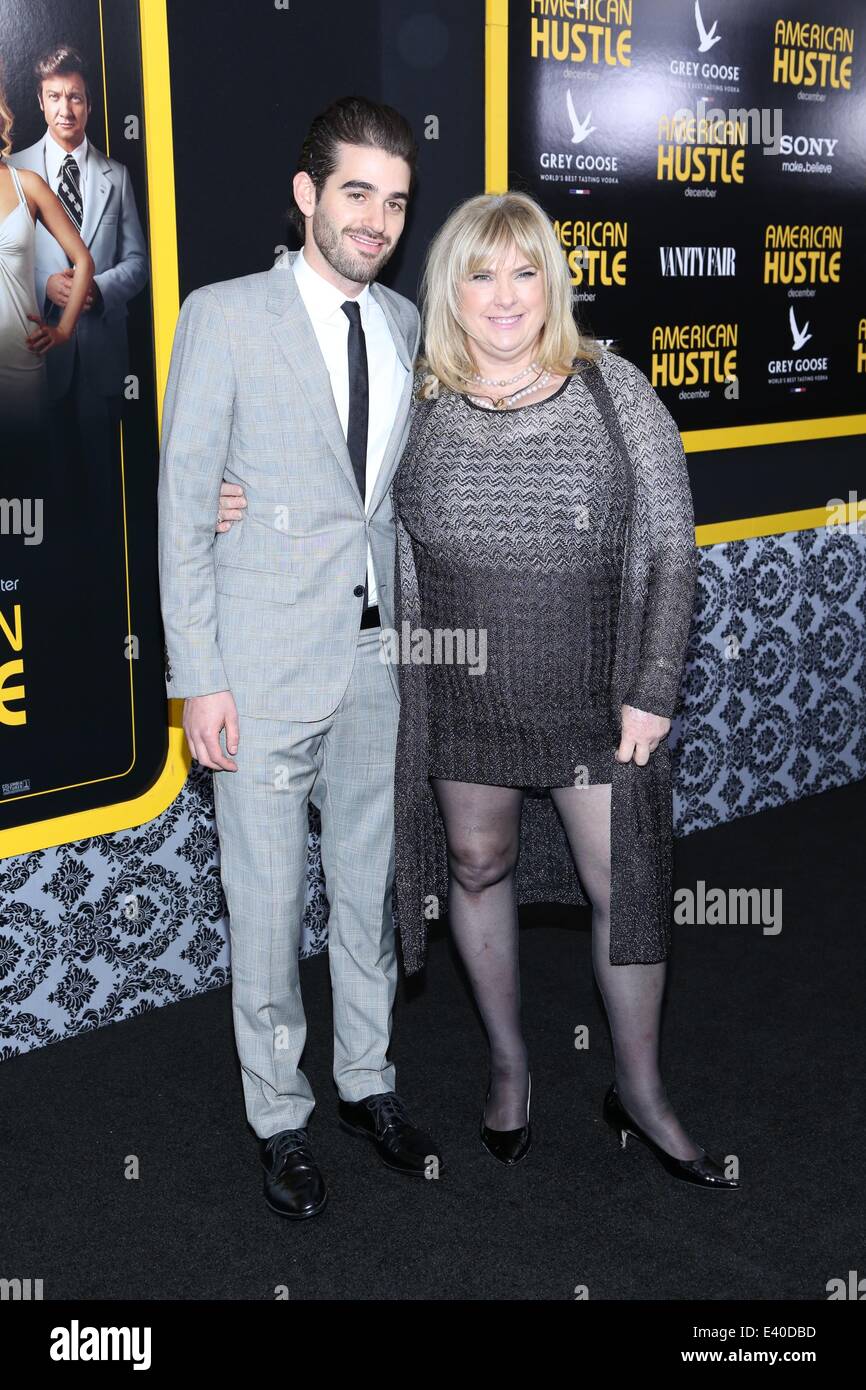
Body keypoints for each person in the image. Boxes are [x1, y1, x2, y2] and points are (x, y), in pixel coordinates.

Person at [220, 190, 740, 1193]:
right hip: (457, 692)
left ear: (551, 280)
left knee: (623, 887)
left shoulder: (611, 389)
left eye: (521, 269)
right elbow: (336, 494)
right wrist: (232, 496)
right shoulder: (418, 403)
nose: (502, 294)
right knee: (472, 862)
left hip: (596, 693)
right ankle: (508, 1062)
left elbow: (672, 549)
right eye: (477, 271)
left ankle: (640, 1087)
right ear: (449, 289)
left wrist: (653, 684)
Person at [158, 96, 442, 1221]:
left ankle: (366, 1081)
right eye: (356, 193)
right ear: (306, 196)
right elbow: (186, 509)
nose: (375, 220)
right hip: (260, 670)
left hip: (377, 663)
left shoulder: (410, 325)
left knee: (367, 894)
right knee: (268, 906)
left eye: (395, 201)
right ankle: (278, 1115)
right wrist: (198, 678)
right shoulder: (222, 316)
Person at [8, 43, 148, 524]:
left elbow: (138, 262)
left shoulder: (118, 176)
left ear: (89, 103)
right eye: (55, 97)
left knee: (102, 487)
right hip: (31, 351)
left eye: (76, 97)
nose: (66, 109)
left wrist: (98, 289)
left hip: (102, 356)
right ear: (40, 102)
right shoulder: (14, 173)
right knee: (44, 487)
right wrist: (47, 282)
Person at [0, 73, 93, 455]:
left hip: (21, 364)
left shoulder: (28, 184)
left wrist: (64, 330)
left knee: (27, 490)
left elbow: (83, 260)